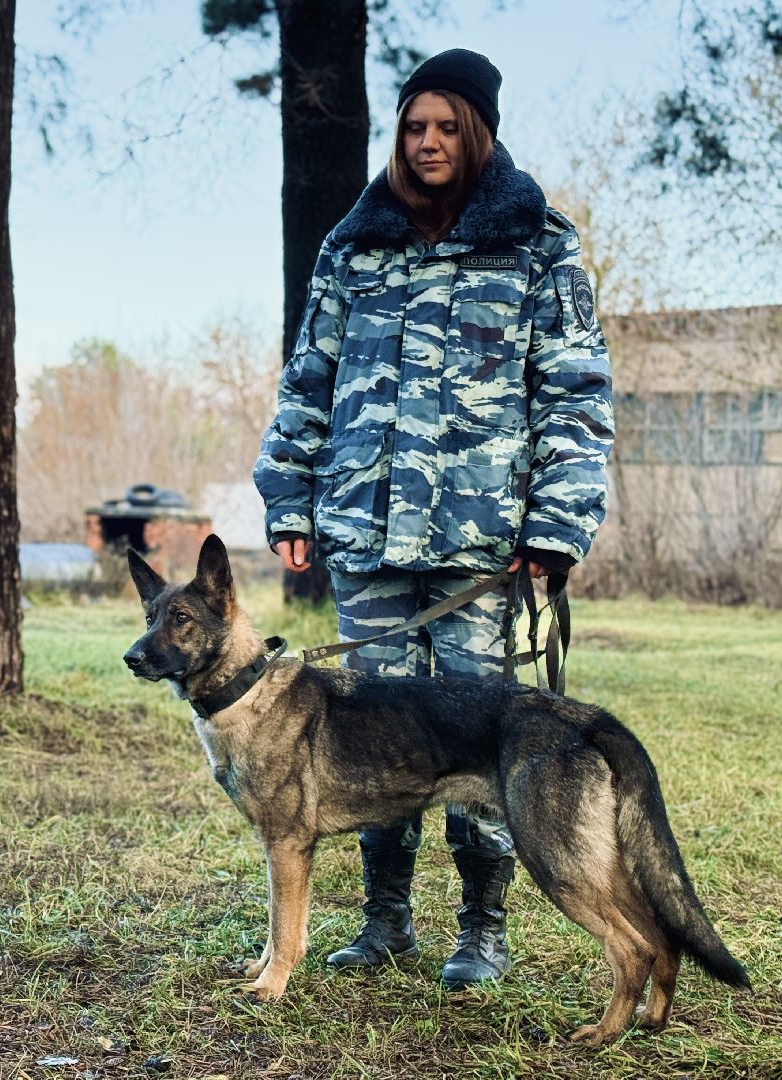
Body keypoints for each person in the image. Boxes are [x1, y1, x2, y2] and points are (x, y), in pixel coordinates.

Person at [253, 48, 613, 990]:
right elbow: (308, 381)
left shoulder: (538, 243)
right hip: (366, 537)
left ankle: (483, 929)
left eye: (447, 127)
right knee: (368, 740)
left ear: (478, 133)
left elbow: (575, 392)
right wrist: (290, 496)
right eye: (414, 126)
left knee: (477, 739)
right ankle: (385, 921)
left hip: (479, 546)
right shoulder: (353, 245)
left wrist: (556, 524)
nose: (427, 142)